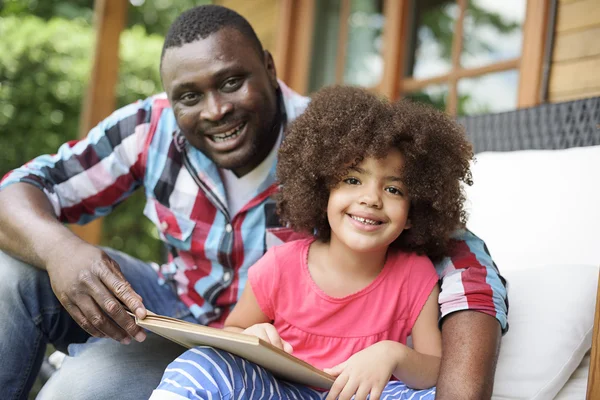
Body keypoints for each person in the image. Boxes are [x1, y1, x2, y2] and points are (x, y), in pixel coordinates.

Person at [0, 5, 507, 400]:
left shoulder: (339, 149)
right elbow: (16, 191)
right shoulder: (147, 129)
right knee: (11, 269)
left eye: (231, 82)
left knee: (80, 388)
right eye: (189, 96)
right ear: (169, 98)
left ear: (267, 66)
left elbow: (462, 258)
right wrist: (60, 250)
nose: (216, 110)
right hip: (167, 309)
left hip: (263, 357)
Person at [150, 85, 473, 400]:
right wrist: (252, 336)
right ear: (322, 191)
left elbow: (435, 369)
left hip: (362, 395)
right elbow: (232, 334)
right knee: (204, 363)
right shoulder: (279, 266)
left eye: (393, 189)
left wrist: (392, 354)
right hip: (279, 393)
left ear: (414, 212)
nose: (371, 199)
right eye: (352, 180)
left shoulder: (414, 274)